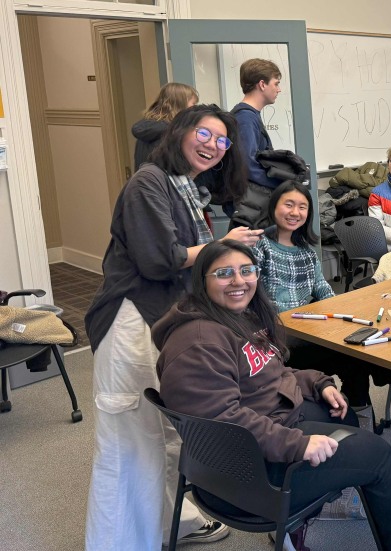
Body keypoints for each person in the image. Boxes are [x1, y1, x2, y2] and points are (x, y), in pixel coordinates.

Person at [153, 240, 391, 551]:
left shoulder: (233, 319)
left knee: (342, 414)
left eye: (246, 270)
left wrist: (319, 384)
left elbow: (275, 374)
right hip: (244, 477)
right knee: (378, 455)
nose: (239, 281)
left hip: (261, 440)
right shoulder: (197, 343)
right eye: (224, 273)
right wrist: (298, 444)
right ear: (201, 281)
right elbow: (222, 424)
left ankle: (296, 524)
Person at [84, 104, 263, 550]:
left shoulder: (183, 187)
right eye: (205, 134)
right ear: (181, 131)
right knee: (127, 443)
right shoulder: (148, 182)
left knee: (164, 432)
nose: (214, 147)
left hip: (161, 320)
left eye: (223, 141)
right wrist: (221, 245)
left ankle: (170, 525)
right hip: (131, 321)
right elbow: (159, 259)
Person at [254, 181, 391, 408]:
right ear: (274, 206)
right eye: (289, 205)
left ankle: (358, 407)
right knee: (353, 350)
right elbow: (248, 296)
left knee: (362, 338)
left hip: (306, 329)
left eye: (302, 207)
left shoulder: (305, 250)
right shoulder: (259, 245)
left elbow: (322, 288)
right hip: (276, 337)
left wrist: (346, 311)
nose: (295, 212)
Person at [231, 58, 283, 223]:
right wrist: (279, 182)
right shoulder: (245, 118)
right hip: (252, 204)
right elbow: (247, 164)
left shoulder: (249, 116)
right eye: (276, 83)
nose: (279, 89)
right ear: (262, 84)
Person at [132, 83, 198, 168]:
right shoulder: (170, 133)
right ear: (180, 104)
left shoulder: (151, 130)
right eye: (193, 104)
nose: (195, 109)